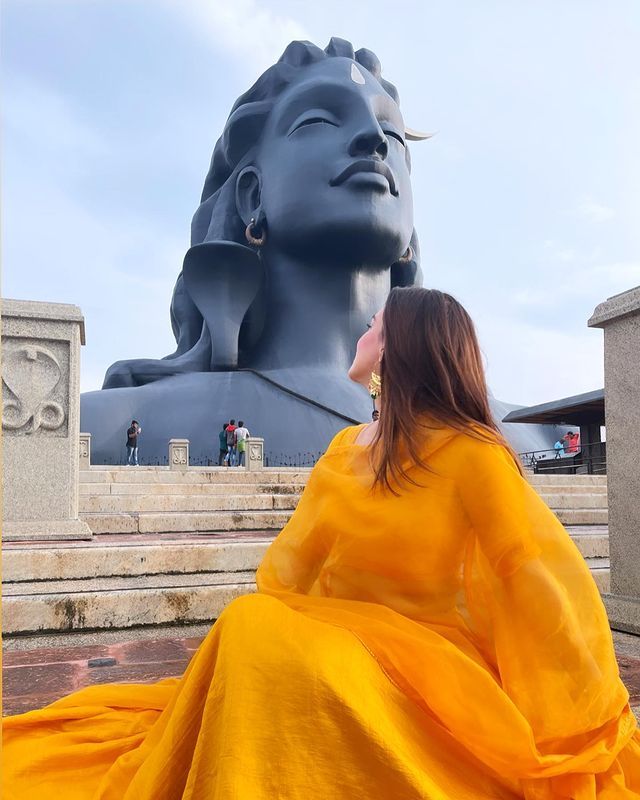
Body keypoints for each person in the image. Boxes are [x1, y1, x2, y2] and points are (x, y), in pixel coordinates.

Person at [4, 287, 639, 799]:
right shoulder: (343, 449)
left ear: (395, 349)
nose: (359, 336)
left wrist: (570, 712)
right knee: (254, 625)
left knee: (257, 632)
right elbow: (289, 571)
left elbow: (531, 574)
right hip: (346, 636)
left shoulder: (473, 455)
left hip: (427, 658)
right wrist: (309, 627)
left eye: (373, 326)